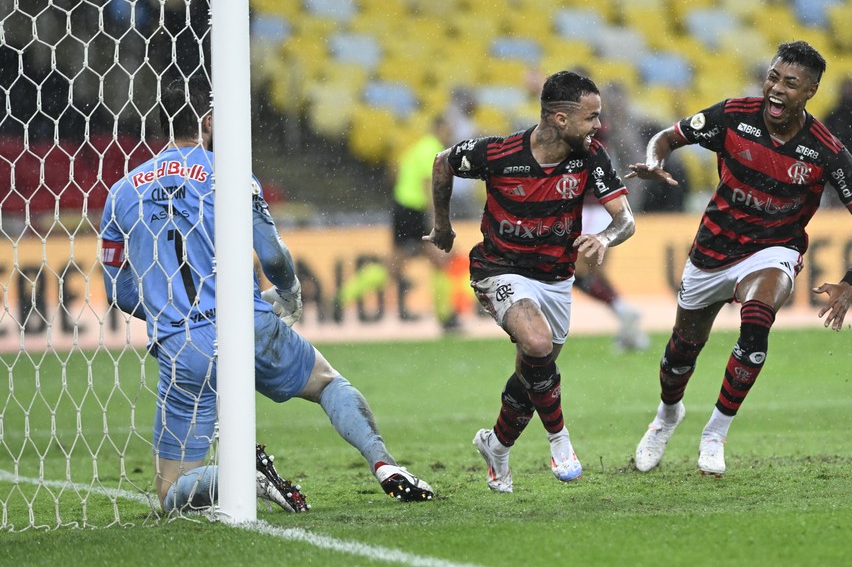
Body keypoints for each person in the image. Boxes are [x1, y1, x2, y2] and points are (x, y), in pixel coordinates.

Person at [99, 76, 434, 512]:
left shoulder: (122, 193)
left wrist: (173, 312)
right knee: (327, 383)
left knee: (171, 491)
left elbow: (120, 291)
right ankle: (383, 463)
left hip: (183, 346)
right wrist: (289, 292)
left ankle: (244, 476)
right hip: (247, 324)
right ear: (208, 121)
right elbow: (272, 255)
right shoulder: (229, 174)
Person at [626, 41, 852, 477]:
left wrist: (851, 281)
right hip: (713, 248)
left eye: (791, 83)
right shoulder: (733, 115)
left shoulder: (824, 150)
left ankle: (716, 432)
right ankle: (667, 415)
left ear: (810, 92)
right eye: (773, 77)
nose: (777, 89)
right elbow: (668, 137)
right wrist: (654, 160)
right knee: (681, 353)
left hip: (772, 250)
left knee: (757, 320)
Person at [425, 70, 636, 492]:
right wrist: (443, 225)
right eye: (591, 117)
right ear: (560, 118)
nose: (598, 126)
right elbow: (442, 162)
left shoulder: (590, 155)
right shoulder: (499, 153)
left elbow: (625, 220)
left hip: (555, 278)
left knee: (532, 373)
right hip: (500, 269)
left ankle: (497, 445)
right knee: (538, 345)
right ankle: (560, 441)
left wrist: (604, 237)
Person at [336, 115, 459, 332]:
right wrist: (437, 219)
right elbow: (428, 185)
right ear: (438, 129)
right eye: (447, 130)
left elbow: (395, 172)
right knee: (406, 264)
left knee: (419, 262)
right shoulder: (432, 150)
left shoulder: (417, 147)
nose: (450, 135)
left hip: (404, 209)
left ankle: (343, 296)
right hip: (413, 211)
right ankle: (445, 316)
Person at [575, 81, 649, 352]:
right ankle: (628, 326)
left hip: (590, 208)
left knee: (575, 273)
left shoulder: (583, 128)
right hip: (601, 206)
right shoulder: (604, 125)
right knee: (589, 274)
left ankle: (624, 312)